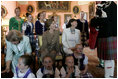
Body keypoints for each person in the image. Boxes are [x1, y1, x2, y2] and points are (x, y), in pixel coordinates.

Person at [90, 1, 117, 78]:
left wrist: (101, 20)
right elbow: (94, 22)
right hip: (102, 35)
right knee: (107, 59)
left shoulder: (113, 6)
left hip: (110, 35)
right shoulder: (101, 5)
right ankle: (109, 75)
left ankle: (108, 76)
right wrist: (102, 20)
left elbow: (111, 22)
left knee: (109, 59)